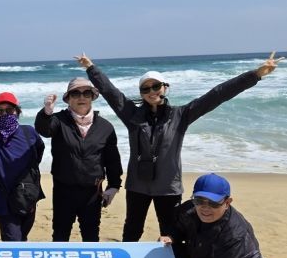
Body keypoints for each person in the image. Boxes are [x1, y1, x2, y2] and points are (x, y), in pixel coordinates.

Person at [76, 51, 284, 242]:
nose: (151, 91)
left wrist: (255, 75)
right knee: (132, 230)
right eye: (146, 88)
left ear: (165, 87)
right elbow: (111, 92)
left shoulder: (181, 115)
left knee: (170, 233)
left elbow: (217, 95)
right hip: (138, 186)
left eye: (156, 86)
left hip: (168, 187)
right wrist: (90, 68)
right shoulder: (132, 115)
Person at [35, 78, 123, 241]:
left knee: (91, 236)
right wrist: (46, 113)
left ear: (92, 97)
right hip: (64, 190)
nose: (81, 97)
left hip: (92, 192)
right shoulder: (58, 120)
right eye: (75, 93)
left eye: (86, 93)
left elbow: (112, 160)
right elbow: (44, 130)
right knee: (60, 235)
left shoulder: (105, 127)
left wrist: (114, 186)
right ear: (68, 98)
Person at [0, 92, 45, 241]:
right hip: (3, 200)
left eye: (9, 110)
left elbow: (39, 149)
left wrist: (29, 176)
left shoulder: (28, 132)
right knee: (13, 241)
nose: (4, 114)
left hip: (27, 195)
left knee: (23, 238)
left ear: (17, 112)